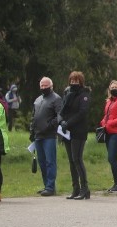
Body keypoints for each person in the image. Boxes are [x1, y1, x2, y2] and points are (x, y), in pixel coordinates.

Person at [59, 71, 91, 200]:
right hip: (67, 131)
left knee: (77, 159)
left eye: (76, 81)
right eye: (72, 81)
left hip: (78, 131)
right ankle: (75, 189)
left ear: (81, 82)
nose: (73, 83)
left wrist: (69, 122)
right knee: (71, 161)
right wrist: (61, 121)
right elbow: (62, 110)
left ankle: (85, 189)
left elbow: (82, 112)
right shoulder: (68, 94)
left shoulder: (84, 95)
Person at [30, 76, 62, 197]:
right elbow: (34, 116)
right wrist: (31, 131)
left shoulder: (56, 98)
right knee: (42, 161)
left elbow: (59, 115)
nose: (44, 87)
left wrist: (50, 125)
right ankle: (46, 185)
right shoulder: (38, 99)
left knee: (50, 161)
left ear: (51, 86)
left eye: (46, 85)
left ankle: (50, 187)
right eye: (42, 85)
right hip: (38, 135)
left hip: (49, 135)